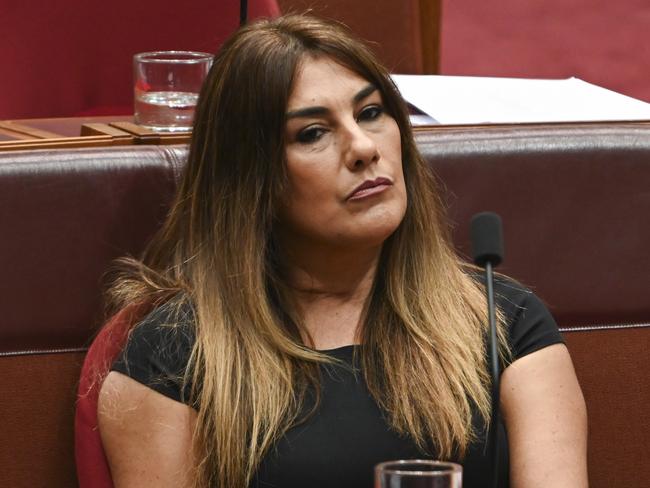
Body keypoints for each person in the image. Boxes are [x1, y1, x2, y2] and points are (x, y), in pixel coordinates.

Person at [95, 14, 588, 488]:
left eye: (371, 113)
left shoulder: (506, 323)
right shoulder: (172, 357)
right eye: (312, 133)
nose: (362, 148)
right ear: (250, 180)